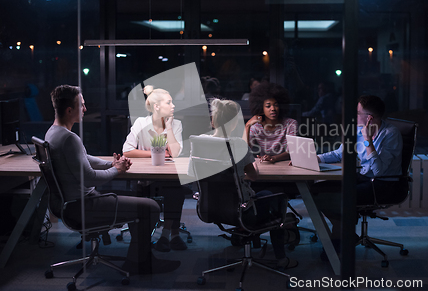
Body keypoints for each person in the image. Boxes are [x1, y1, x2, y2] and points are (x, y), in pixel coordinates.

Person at [45, 85, 179, 274]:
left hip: (70, 204)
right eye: (82, 105)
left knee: (139, 204)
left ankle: (139, 257)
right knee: (151, 207)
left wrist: (111, 164)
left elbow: (84, 158)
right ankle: (139, 263)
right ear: (69, 110)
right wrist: (117, 170)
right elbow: (90, 178)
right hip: (83, 205)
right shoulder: (70, 139)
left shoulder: (53, 133)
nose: (85, 109)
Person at [189, 98, 298, 269]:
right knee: (273, 197)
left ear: (213, 120)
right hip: (242, 211)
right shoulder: (238, 145)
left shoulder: (199, 142)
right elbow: (253, 176)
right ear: (234, 124)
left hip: (210, 207)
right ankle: (281, 258)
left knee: (259, 197)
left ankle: (252, 244)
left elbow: (192, 172)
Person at [311, 95, 403, 250]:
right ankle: (344, 230)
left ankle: (340, 237)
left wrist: (368, 141)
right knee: (317, 190)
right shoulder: (358, 131)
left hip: (383, 185)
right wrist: (314, 158)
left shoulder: (390, 134)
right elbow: (340, 153)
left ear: (369, 118)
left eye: (358, 113)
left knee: (339, 197)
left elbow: (379, 171)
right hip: (364, 177)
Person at [122, 85, 188, 252]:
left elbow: (175, 153)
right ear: (157, 106)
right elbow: (127, 150)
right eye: (169, 102)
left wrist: (169, 128)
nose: (173, 106)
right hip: (146, 178)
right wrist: (154, 153)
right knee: (143, 191)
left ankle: (167, 235)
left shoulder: (176, 124)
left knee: (176, 189)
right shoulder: (141, 123)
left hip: (167, 176)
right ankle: (141, 238)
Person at [244, 82, 298, 163]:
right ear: (261, 108)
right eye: (268, 106)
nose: (273, 108)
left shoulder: (291, 124)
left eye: (276, 105)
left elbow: (291, 152)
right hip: (265, 165)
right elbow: (244, 152)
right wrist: (247, 126)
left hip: (286, 165)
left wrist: (274, 158)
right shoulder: (256, 127)